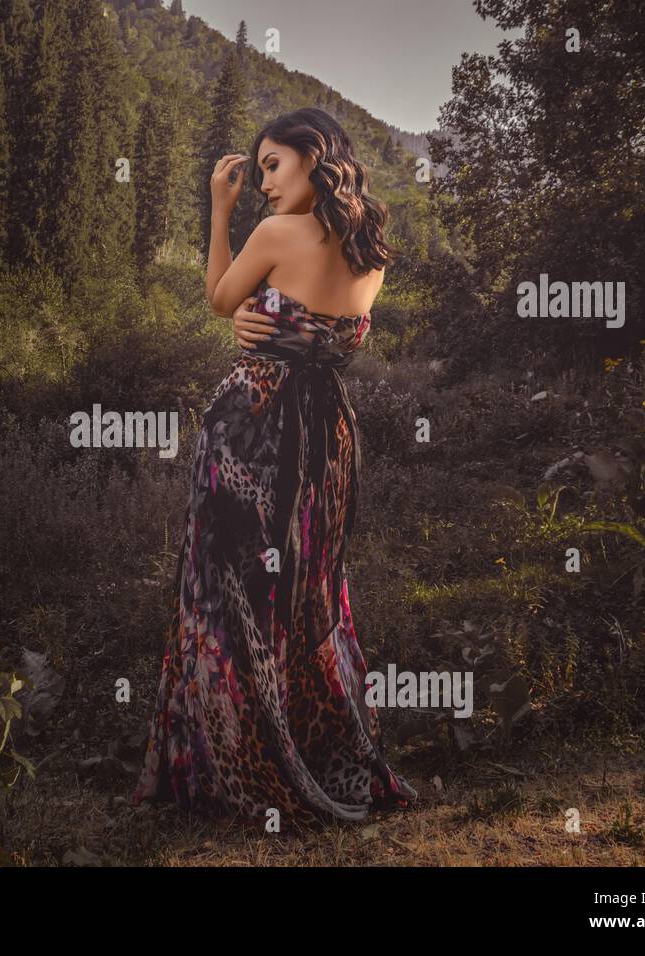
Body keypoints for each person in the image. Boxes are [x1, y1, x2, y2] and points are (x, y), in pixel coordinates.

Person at [130, 108, 418, 827]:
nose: (260, 182)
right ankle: (324, 752)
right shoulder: (371, 246)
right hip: (326, 437)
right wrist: (260, 315)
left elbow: (222, 297)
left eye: (271, 165)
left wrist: (220, 210)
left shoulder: (273, 233)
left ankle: (226, 766)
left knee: (227, 594)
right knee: (309, 593)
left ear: (314, 158)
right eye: (255, 172)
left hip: (252, 429)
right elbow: (321, 333)